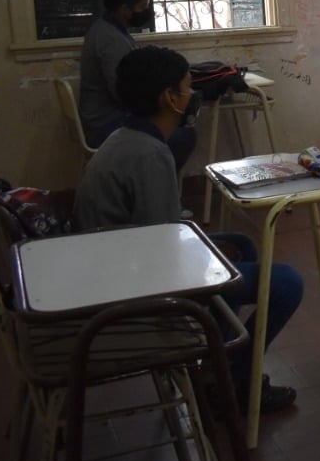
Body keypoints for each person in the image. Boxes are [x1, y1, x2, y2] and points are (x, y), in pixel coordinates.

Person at [72, 45, 303, 414]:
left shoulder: (124, 139)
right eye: (186, 87)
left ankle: (218, 367)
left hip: (118, 262)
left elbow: (158, 229)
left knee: (241, 243)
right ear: (169, 97)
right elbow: (165, 250)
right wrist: (206, 253)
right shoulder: (148, 154)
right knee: (288, 282)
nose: (192, 95)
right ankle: (237, 381)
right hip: (135, 289)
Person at [79, 0, 197, 174]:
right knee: (183, 135)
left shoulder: (107, 29)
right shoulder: (111, 41)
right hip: (106, 124)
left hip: (104, 118)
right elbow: (124, 93)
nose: (146, 12)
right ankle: (153, 186)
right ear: (124, 9)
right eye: (142, 7)